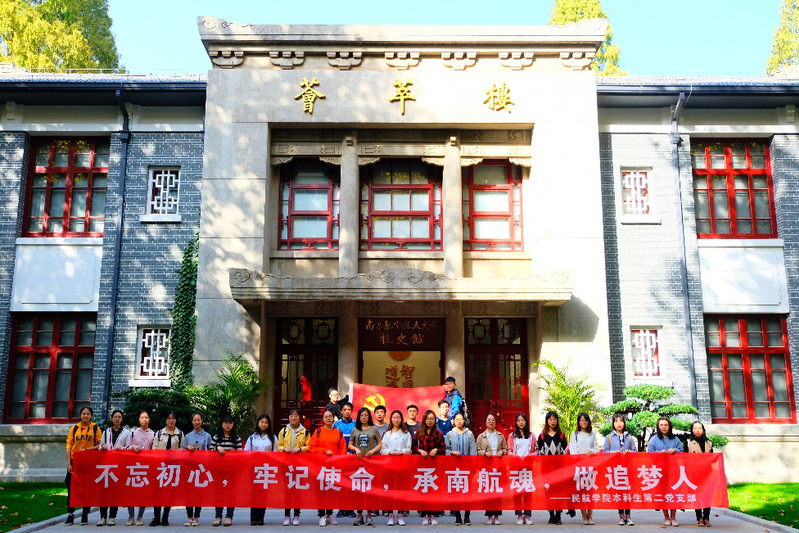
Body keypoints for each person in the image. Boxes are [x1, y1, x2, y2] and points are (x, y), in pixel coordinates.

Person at [309, 409, 347, 527]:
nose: (328, 418)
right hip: (320, 467)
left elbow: (343, 450)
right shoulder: (318, 432)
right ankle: (321, 515)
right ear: (323, 419)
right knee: (321, 491)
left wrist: (340, 463)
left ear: (333, 418)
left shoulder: (338, 433)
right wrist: (324, 451)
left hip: (333, 467)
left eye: (330, 416)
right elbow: (312, 447)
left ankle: (329, 514)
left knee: (331, 491)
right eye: (326, 416)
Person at [65, 406, 101, 526]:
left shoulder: (95, 428)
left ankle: (85, 513)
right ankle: (70, 514)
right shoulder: (74, 428)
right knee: (71, 488)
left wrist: (86, 450)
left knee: (87, 489)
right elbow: (69, 446)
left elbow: (100, 445)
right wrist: (69, 464)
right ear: (80, 415)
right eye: (83, 413)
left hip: (88, 461)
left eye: (88, 414)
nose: (86, 416)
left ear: (91, 416)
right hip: (75, 462)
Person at [349, 407, 383, 526]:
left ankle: (369, 514)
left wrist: (372, 451)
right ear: (359, 417)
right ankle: (359, 515)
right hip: (358, 463)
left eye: (366, 415)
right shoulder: (355, 429)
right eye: (362, 415)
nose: (364, 417)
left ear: (369, 417)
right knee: (358, 490)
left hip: (371, 462)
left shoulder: (374, 429)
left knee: (369, 489)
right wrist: (356, 449)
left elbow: (380, 444)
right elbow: (350, 444)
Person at [150, 411, 185, 526]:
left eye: (173, 418)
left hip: (173, 467)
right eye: (168, 418)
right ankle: (156, 518)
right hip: (160, 467)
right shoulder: (159, 433)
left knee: (170, 493)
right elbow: (154, 448)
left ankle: (165, 517)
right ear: (165, 420)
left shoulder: (180, 434)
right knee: (157, 493)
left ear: (176, 420)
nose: (171, 420)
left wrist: (174, 453)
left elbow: (183, 450)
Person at [647, 417, 683, 527]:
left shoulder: (675, 439)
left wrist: (675, 450)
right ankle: (666, 516)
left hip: (673, 469)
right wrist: (659, 453)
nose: (664, 427)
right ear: (658, 426)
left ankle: (673, 516)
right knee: (663, 493)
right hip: (659, 470)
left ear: (669, 426)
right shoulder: (654, 439)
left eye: (666, 425)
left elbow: (682, 452)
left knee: (673, 493)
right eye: (661, 425)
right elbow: (649, 453)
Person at [98, 409, 131, 526]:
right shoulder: (106, 432)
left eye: (119, 417)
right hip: (106, 465)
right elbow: (100, 445)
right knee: (104, 492)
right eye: (115, 417)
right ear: (111, 418)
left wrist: (122, 449)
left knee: (114, 492)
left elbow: (129, 447)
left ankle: (112, 516)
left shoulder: (126, 433)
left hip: (118, 465)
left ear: (122, 419)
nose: (117, 419)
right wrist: (103, 447)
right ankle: (102, 517)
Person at [277, 408, 310, 526]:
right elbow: (278, 445)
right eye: (291, 415)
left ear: (299, 418)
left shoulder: (305, 432)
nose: (293, 418)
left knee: (297, 491)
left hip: (299, 465)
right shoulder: (284, 431)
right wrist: (283, 449)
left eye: (296, 415)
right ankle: (287, 515)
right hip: (286, 465)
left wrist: (300, 449)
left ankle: (296, 515)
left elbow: (309, 446)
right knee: (287, 490)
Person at [602, 413, 637, 526]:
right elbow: (604, 452)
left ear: (624, 423)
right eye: (616, 421)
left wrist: (629, 452)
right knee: (619, 492)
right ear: (613, 423)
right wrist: (613, 453)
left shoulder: (629, 437)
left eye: (621, 421)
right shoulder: (609, 437)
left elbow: (635, 451)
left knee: (627, 492)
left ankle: (628, 515)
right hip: (616, 468)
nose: (619, 423)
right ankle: (621, 515)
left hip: (627, 468)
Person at [412, 410, 445, 526]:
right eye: (428, 419)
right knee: (424, 491)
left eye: (432, 419)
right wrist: (420, 451)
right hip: (422, 467)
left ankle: (434, 515)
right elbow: (413, 448)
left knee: (434, 491)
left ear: (435, 420)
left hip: (435, 467)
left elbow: (443, 449)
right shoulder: (419, 433)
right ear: (424, 420)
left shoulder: (439, 434)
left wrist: (436, 450)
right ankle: (425, 515)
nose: (430, 421)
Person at [537, 411, 569, 525]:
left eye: (554, 419)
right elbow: (539, 452)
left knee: (559, 491)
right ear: (547, 421)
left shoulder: (561, 435)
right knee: (548, 491)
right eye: (550, 419)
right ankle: (551, 515)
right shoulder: (542, 436)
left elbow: (565, 451)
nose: (552, 421)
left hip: (559, 468)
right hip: (546, 469)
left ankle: (558, 515)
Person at [382, 410, 412, 526]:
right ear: (391, 419)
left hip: (402, 465)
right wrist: (389, 452)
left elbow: (409, 449)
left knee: (401, 490)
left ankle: (400, 515)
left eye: (398, 417)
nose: (396, 420)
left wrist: (402, 451)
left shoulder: (406, 434)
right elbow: (382, 449)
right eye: (394, 417)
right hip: (389, 465)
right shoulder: (387, 434)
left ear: (401, 419)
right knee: (390, 490)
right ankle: (391, 515)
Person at [445, 412, 476, 525]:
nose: (459, 421)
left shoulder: (469, 434)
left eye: (461, 419)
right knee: (456, 492)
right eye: (457, 419)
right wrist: (452, 452)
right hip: (454, 468)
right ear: (453, 421)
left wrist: (473, 466)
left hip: (467, 467)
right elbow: (446, 450)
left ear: (464, 421)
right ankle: (457, 516)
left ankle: (467, 516)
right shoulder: (449, 434)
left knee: (467, 492)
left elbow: (473, 451)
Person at [476, 413, 508, 525]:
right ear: (485, 422)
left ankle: (497, 515)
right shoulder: (481, 436)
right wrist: (485, 453)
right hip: (487, 466)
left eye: (493, 420)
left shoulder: (500, 435)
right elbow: (477, 450)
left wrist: (502, 452)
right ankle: (489, 516)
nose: (491, 422)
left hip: (498, 467)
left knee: (498, 491)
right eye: (489, 420)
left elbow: (506, 449)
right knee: (488, 491)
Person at [569, 413, 600, 526]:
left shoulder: (592, 434)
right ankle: (584, 515)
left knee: (590, 490)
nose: (583, 422)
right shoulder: (575, 434)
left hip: (591, 466)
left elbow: (597, 448)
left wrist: (592, 451)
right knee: (581, 491)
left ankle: (590, 515)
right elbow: (572, 449)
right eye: (581, 420)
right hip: (579, 466)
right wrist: (578, 460)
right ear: (578, 422)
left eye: (585, 420)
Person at [245, 414, 276, 526]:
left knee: (263, 493)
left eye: (266, 423)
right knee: (254, 493)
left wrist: (269, 454)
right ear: (258, 423)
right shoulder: (252, 437)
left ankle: (261, 517)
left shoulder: (273, 438)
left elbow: (276, 453)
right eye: (262, 422)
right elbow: (246, 452)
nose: (264, 424)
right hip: (254, 468)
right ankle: (254, 518)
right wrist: (254, 455)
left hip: (266, 468)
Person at [211, 415, 242, 527]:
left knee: (231, 493)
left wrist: (233, 454)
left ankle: (229, 517)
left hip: (232, 471)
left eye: (230, 423)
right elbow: (210, 451)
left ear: (233, 424)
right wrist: (217, 448)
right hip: (218, 470)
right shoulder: (216, 437)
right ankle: (218, 517)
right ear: (221, 424)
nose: (227, 425)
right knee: (218, 493)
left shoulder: (236, 438)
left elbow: (240, 454)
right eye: (225, 422)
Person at [183, 412, 213, 526]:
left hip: (201, 467)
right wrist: (187, 448)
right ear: (192, 422)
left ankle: (196, 517)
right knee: (189, 492)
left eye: (198, 420)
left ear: (202, 421)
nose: (196, 422)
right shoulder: (187, 436)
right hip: (189, 467)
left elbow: (211, 451)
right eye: (194, 420)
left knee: (198, 492)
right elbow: (182, 451)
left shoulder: (207, 436)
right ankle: (189, 517)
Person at [126, 410, 155, 526]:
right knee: (131, 492)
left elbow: (155, 450)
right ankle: (131, 516)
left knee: (143, 492)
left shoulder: (153, 434)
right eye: (142, 417)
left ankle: (140, 516)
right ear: (139, 419)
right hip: (133, 466)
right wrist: (133, 447)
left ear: (149, 419)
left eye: (146, 417)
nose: (144, 420)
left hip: (146, 466)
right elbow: (126, 447)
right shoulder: (133, 433)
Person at [508, 413, 537, 525]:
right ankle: (519, 515)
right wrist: (515, 457)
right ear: (516, 422)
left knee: (528, 491)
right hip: (516, 467)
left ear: (526, 422)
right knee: (518, 491)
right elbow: (509, 450)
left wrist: (530, 456)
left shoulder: (532, 436)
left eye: (523, 420)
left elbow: (537, 450)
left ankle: (528, 515)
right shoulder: (512, 436)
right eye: (519, 420)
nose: (521, 422)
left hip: (528, 467)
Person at [685, 421, 713, 527]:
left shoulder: (709, 443)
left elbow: (712, 457)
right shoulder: (688, 442)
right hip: (694, 473)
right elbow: (684, 458)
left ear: (703, 430)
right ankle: (699, 518)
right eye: (695, 428)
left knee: (707, 495)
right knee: (696, 495)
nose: (697, 430)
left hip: (707, 472)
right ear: (692, 430)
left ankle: (706, 517)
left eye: (699, 428)